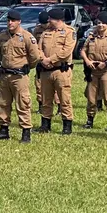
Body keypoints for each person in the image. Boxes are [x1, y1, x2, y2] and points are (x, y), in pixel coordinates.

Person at [0, 9, 41, 143]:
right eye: (8, 20)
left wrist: (26, 66)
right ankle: (3, 130)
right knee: (3, 103)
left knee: (23, 103)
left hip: (19, 76)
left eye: (13, 21)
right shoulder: (2, 36)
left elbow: (35, 56)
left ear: (19, 22)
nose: (10, 23)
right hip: (5, 74)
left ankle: (26, 131)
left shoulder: (26, 36)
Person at [37, 7, 76, 135]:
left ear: (58, 19)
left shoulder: (69, 32)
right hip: (46, 71)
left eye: (50, 18)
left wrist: (51, 60)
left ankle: (67, 125)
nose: (48, 20)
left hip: (61, 71)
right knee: (46, 98)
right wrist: (43, 60)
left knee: (64, 98)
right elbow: (39, 48)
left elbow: (66, 51)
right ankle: (45, 124)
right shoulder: (45, 32)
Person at [80, 11, 107, 131]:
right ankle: (89, 120)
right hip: (93, 70)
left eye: (103, 23)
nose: (100, 25)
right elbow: (83, 50)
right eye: (99, 23)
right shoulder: (92, 37)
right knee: (91, 97)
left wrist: (106, 63)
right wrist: (87, 61)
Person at [32, 10, 51, 109]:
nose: (44, 26)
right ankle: (40, 104)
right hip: (40, 60)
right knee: (39, 83)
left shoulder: (53, 30)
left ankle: (59, 106)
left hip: (52, 60)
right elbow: (34, 45)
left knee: (54, 85)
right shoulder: (37, 30)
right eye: (42, 24)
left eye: (46, 23)